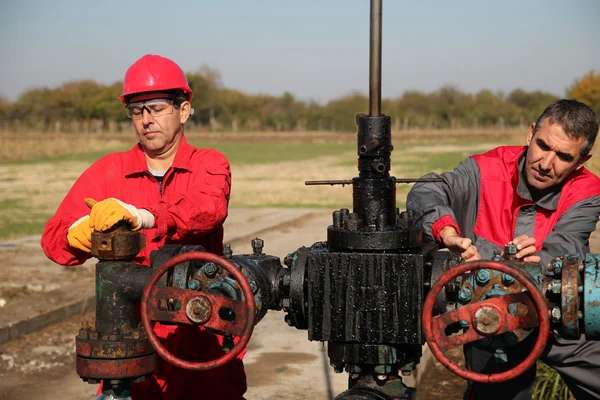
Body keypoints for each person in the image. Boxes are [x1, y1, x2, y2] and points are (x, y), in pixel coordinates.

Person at [41, 54, 245, 399]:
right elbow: (53, 239)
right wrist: (79, 236)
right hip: (135, 342)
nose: (147, 120)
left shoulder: (208, 163)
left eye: (157, 108)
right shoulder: (109, 171)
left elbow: (208, 209)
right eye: (138, 111)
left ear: (183, 110)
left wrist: (145, 216)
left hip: (203, 339)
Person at [406, 99, 600, 400]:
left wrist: (543, 261)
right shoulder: (484, 171)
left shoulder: (586, 191)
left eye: (563, 156)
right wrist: (445, 229)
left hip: (561, 318)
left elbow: (568, 245)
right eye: (543, 146)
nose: (546, 163)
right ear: (530, 133)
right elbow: (428, 189)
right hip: (491, 325)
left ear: (581, 160)